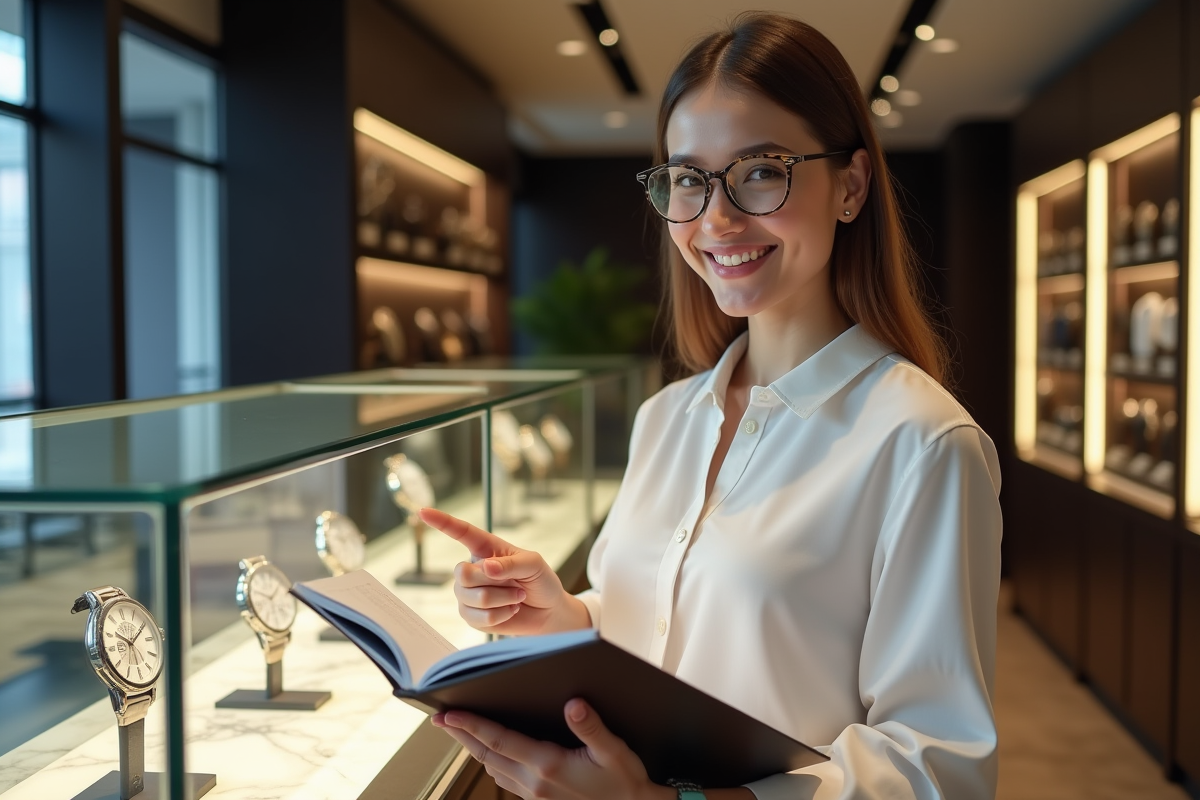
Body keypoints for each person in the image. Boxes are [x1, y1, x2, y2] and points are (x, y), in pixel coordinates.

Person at [422, 12, 1002, 800]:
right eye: (689, 179)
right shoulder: (665, 417)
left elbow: (937, 766)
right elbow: (667, 627)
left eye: (761, 171)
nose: (717, 219)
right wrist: (565, 619)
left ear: (852, 186)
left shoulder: (923, 442)